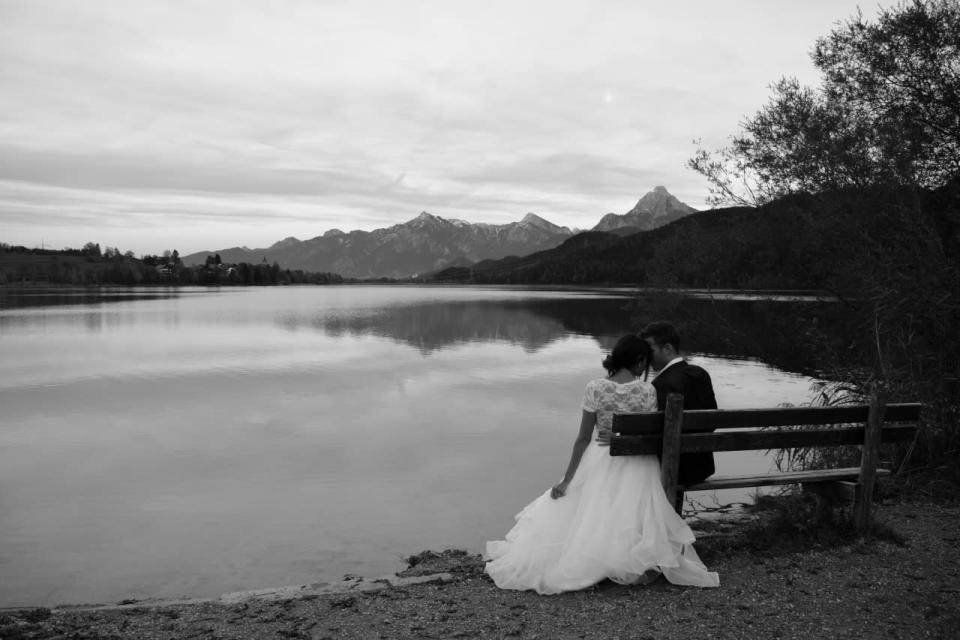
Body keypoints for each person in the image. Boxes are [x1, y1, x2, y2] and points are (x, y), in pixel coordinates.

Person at [484, 334, 719, 594]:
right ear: (638, 360)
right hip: (637, 461)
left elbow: (583, 438)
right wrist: (624, 437)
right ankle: (627, 557)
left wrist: (567, 479)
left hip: (601, 456)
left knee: (593, 505)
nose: (647, 368)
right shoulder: (646, 390)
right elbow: (647, 434)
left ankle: (593, 556)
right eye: (645, 362)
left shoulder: (595, 387)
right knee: (632, 508)